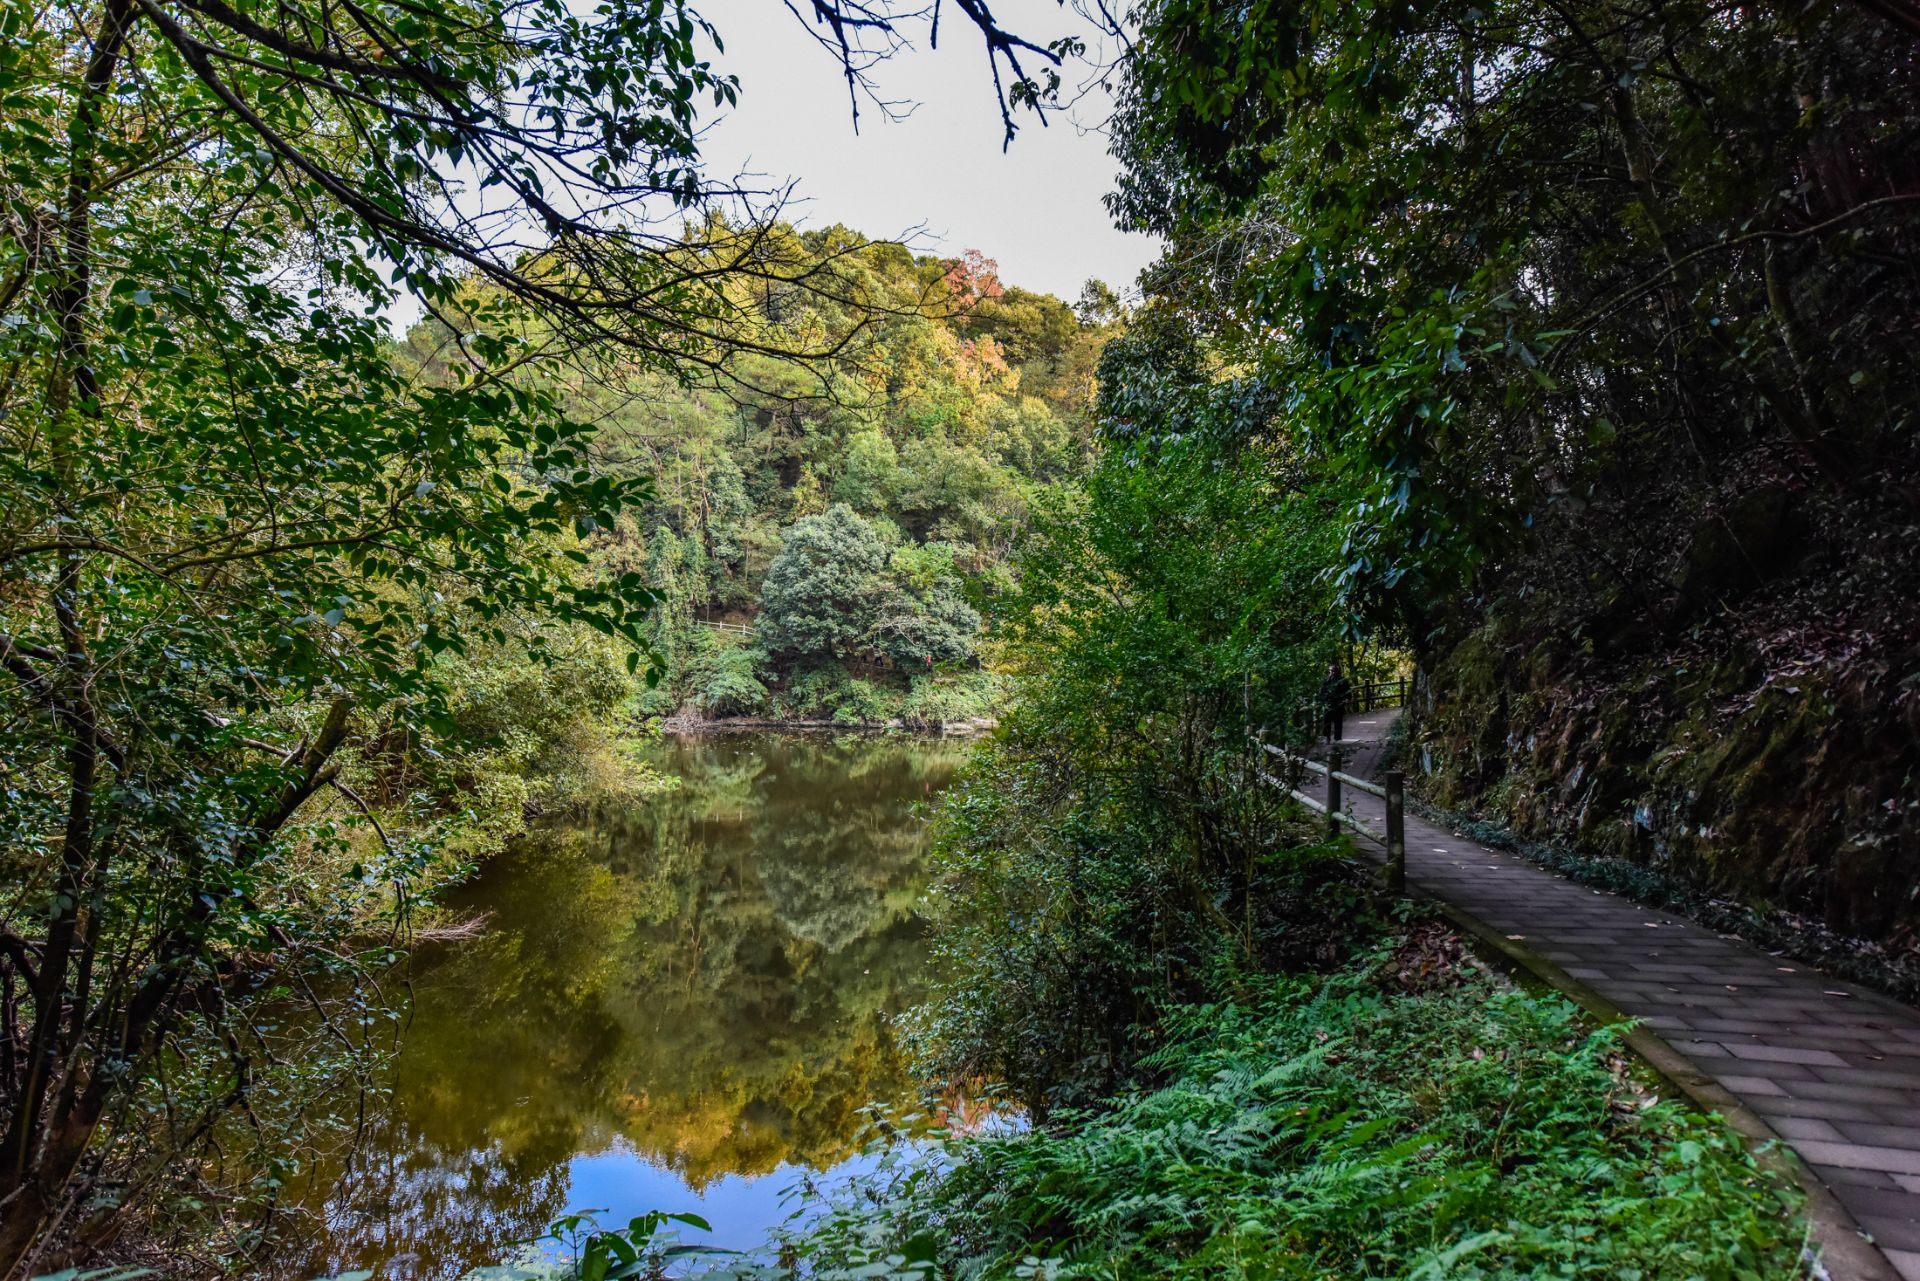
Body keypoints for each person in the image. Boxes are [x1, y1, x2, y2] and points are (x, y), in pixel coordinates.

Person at [1320, 661, 1351, 742]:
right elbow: (1322, 692)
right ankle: (1327, 737)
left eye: (1334, 671)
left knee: (1338, 722)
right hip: (1329, 704)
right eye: (1331, 671)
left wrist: (1346, 699)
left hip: (1338, 704)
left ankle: (1337, 738)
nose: (1332, 672)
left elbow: (1347, 692)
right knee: (1327, 722)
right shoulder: (1327, 681)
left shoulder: (1342, 680)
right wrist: (1323, 700)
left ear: (1338, 671)